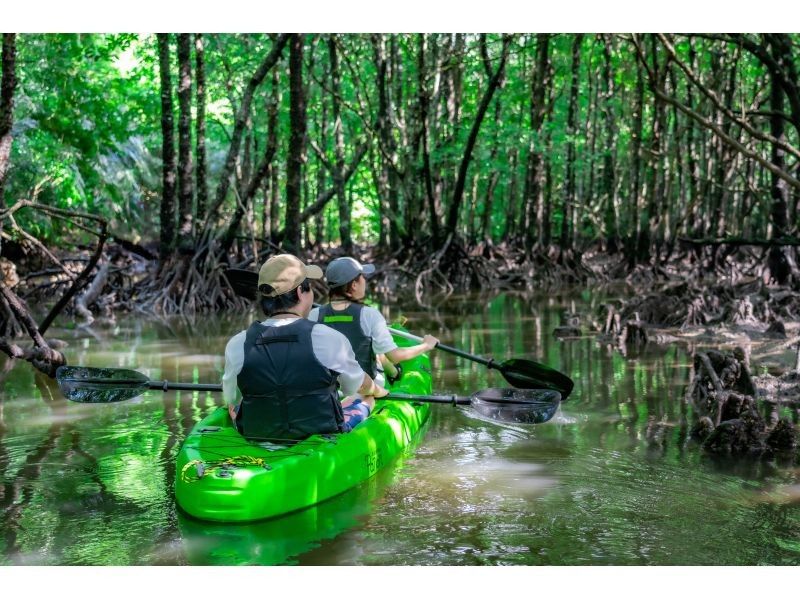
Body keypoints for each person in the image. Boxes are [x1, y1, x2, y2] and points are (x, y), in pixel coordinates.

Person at [222, 254, 388, 442]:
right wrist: (377, 390)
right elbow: (354, 386)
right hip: (320, 435)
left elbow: (232, 398)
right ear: (301, 292)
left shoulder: (237, 343)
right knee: (365, 398)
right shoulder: (328, 338)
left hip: (258, 434)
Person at [309, 257, 439, 384]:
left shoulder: (314, 315)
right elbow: (395, 356)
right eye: (362, 277)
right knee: (376, 352)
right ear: (354, 285)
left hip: (327, 388)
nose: (365, 281)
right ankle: (394, 374)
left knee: (375, 350)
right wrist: (426, 345)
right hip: (363, 389)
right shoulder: (369, 315)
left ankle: (393, 373)